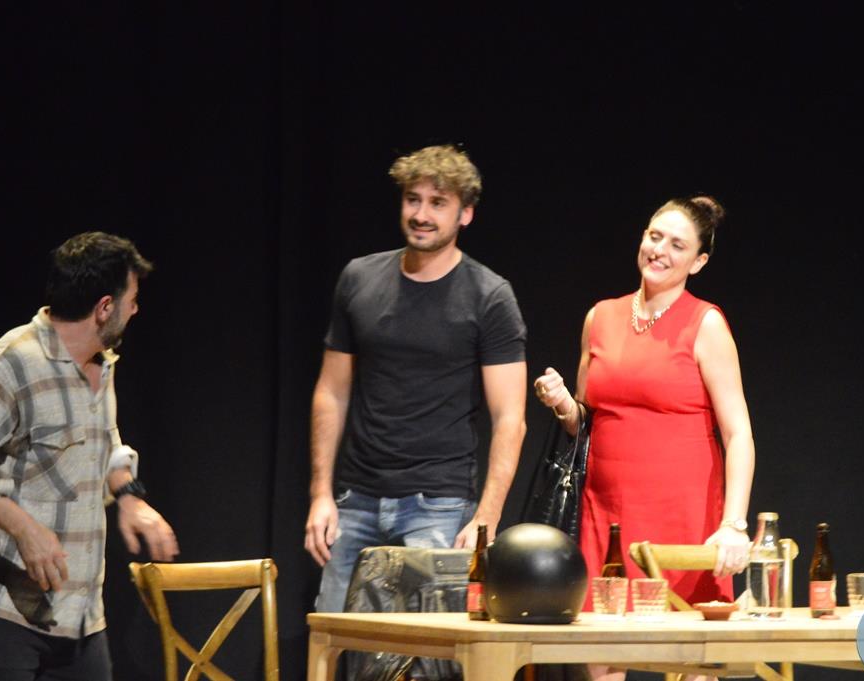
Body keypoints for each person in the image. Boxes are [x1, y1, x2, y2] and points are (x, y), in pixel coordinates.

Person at [0, 232, 179, 681]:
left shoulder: (102, 364)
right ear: (104, 307)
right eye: (132, 300)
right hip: (2, 609)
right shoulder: (14, 361)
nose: (136, 310)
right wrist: (23, 527)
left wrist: (129, 497)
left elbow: (104, 442)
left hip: (79, 616)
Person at [304, 144, 528, 613]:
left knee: (430, 647)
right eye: (413, 199)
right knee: (334, 636)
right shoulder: (359, 278)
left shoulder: (489, 296)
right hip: (356, 498)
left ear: (465, 214)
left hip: (438, 504)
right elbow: (331, 391)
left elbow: (510, 417)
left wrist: (486, 517)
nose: (421, 214)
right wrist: (321, 493)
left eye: (438, 203)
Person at [533, 195, 754, 608]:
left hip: (681, 516)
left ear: (698, 262)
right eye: (655, 236)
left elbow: (738, 432)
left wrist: (734, 524)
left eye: (677, 245)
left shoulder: (705, 323)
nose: (660, 250)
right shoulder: (600, 317)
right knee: (602, 633)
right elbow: (586, 421)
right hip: (605, 514)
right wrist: (563, 403)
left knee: (683, 640)